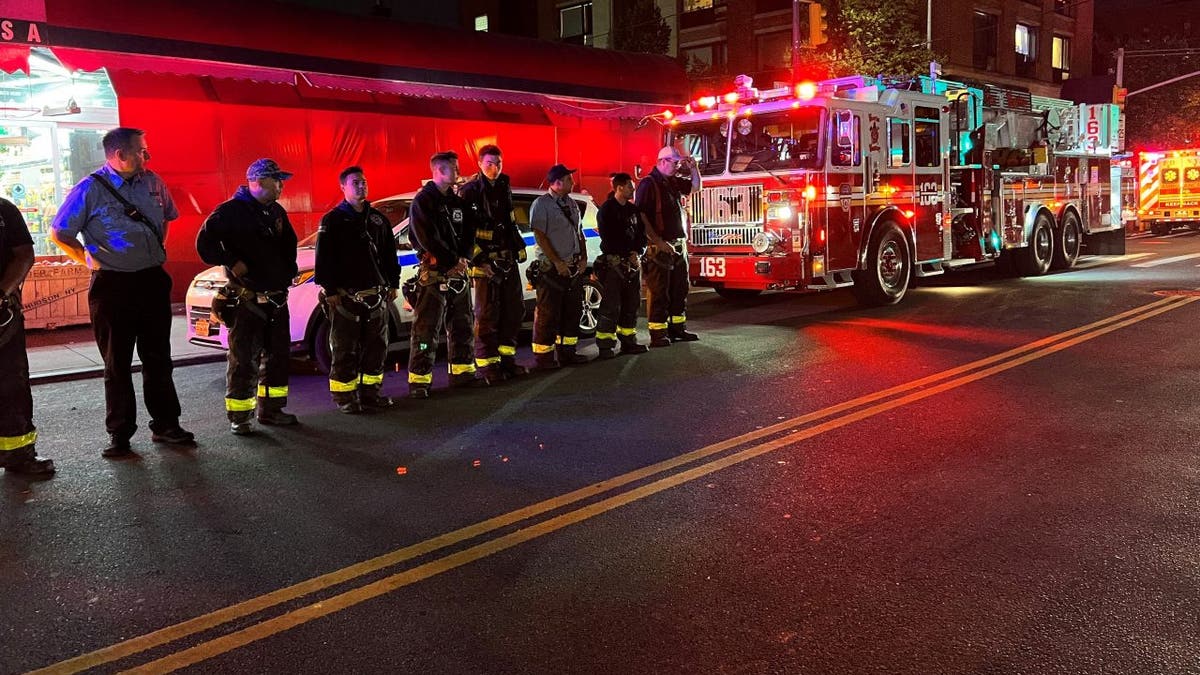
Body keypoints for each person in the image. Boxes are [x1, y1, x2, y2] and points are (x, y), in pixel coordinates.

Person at [50, 127, 194, 458]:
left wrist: (153, 251)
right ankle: (120, 433)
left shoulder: (153, 182)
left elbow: (165, 219)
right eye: (142, 151)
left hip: (151, 280)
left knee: (158, 358)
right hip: (112, 285)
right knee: (117, 363)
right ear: (120, 155)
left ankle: (166, 425)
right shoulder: (89, 189)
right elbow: (60, 232)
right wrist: (89, 260)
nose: (148, 156)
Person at [196, 159, 300, 435]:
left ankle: (272, 410)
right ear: (259, 181)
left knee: (277, 357)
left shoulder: (276, 212)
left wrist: (288, 271)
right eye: (277, 180)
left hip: (277, 300)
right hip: (248, 301)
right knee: (244, 359)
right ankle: (240, 417)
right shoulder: (229, 212)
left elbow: (289, 246)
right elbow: (204, 244)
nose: (282, 185)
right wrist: (232, 261)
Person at [314, 166, 401, 414]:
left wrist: (392, 283)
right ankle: (345, 397)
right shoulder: (332, 221)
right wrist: (330, 289)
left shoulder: (378, 220)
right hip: (346, 298)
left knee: (376, 348)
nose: (361, 186)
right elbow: (324, 259)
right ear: (343, 187)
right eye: (355, 183)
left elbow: (389, 255)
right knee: (344, 348)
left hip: (376, 296)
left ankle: (370, 394)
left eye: (363, 182)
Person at [406, 151, 482, 398]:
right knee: (426, 331)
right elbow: (426, 238)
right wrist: (451, 261)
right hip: (435, 276)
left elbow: (469, 232)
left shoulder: (458, 202)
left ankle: (463, 374)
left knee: (463, 326)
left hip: (458, 275)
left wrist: (464, 258)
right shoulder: (423, 202)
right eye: (453, 167)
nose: (458, 171)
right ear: (438, 170)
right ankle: (419, 381)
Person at [459, 145, 530, 383]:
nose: (495, 168)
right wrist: (480, 259)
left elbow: (509, 221)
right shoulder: (469, 191)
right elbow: (465, 233)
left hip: (506, 258)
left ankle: (507, 361)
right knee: (487, 315)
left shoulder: (503, 186)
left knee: (513, 311)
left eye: (498, 163)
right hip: (485, 263)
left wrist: (518, 246)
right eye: (489, 163)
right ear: (479, 164)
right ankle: (488, 366)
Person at [0, 198, 54, 475]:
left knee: (11, 385)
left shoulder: (3, 211)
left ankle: (19, 455)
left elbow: (24, 255)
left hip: (1, 320)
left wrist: (1, 293)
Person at [593, 172, 666, 358]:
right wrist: (626, 255)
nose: (633, 190)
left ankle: (628, 342)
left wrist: (638, 251)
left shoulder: (633, 211)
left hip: (632, 266)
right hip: (614, 266)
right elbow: (607, 238)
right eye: (630, 186)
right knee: (611, 305)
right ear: (619, 187)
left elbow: (641, 235)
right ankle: (605, 346)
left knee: (631, 305)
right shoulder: (607, 210)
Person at [634, 145, 702, 347]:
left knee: (679, 289)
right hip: (661, 247)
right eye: (675, 163)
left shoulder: (671, 182)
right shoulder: (648, 184)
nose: (677, 167)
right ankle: (658, 333)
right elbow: (642, 216)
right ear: (662, 162)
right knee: (659, 291)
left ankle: (677, 328)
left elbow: (696, 187)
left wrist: (694, 168)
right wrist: (657, 242)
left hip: (678, 244)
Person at [529, 164, 588, 369]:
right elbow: (540, 235)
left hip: (572, 267)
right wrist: (557, 262)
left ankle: (567, 353)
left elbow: (579, 233)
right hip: (551, 269)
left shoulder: (571, 203)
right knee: (548, 314)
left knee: (571, 312)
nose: (573, 182)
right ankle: (544, 358)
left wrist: (583, 258)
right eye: (569, 179)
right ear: (557, 182)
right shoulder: (541, 204)